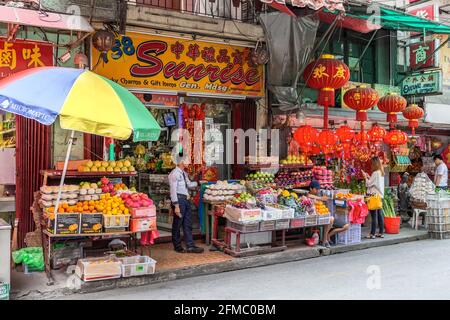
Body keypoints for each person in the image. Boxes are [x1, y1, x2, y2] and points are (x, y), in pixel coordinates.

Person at [168, 156, 204, 254]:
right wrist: (176, 205)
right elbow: (173, 191)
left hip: (186, 200)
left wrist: (199, 183)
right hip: (179, 200)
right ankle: (177, 246)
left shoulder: (183, 173)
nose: (189, 162)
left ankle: (190, 245)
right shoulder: (174, 174)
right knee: (177, 224)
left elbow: (189, 185)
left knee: (187, 224)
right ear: (181, 162)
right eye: (187, 160)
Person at [308, 180, 349, 248]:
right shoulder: (309, 195)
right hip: (317, 216)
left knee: (346, 226)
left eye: (318, 189)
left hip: (325, 214)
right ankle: (325, 240)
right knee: (330, 219)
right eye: (316, 189)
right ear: (310, 188)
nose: (317, 190)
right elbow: (308, 195)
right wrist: (320, 198)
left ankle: (328, 236)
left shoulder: (320, 193)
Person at [362, 156, 385, 239]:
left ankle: (372, 234)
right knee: (379, 214)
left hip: (374, 197)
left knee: (374, 215)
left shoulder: (375, 173)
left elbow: (368, 184)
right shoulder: (381, 172)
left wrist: (365, 177)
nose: (371, 165)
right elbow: (374, 183)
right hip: (380, 196)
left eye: (372, 163)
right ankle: (381, 232)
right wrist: (369, 177)